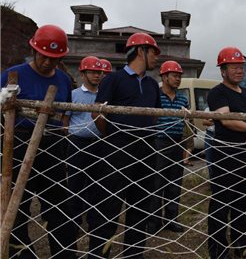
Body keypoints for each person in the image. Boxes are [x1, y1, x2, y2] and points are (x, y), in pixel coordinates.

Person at [1, 24, 78, 258]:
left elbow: (65, 115)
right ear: (34, 50)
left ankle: (64, 254)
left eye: (54, 58)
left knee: (59, 206)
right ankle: (21, 254)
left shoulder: (64, 80)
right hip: (18, 143)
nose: (48, 62)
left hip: (52, 145)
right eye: (44, 56)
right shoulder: (13, 74)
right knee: (17, 204)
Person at [88, 33, 161, 258]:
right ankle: (99, 255)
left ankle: (133, 254)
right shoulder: (114, 79)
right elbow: (97, 112)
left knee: (140, 207)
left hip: (147, 147)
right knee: (109, 206)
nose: (157, 58)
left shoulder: (152, 85)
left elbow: (155, 116)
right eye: (154, 53)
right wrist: (113, 135)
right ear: (141, 51)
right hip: (118, 148)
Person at [207, 47, 246, 259]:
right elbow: (226, 120)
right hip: (226, 153)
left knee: (245, 202)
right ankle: (218, 250)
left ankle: (243, 247)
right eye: (234, 67)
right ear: (223, 70)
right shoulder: (217, 92)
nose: (239, 71)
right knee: (222, 202)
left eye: (241, 67)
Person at [62, 56, 104, 227]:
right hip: (78, 143)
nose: (97, 76)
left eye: (99, 72)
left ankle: (95, 223)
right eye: (92, 72)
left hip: (100, 144)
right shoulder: (73, 95)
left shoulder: (105, 95)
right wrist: (70, 136)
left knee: (98, 185)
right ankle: (74, 222)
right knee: (75, 185)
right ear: (82, 74)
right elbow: (65, 120)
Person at [148, 60, 188, 233]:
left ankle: (171, 219)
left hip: (177, 142)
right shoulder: (155, 96)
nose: (178, 79)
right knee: (156, 182)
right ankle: (153, 222)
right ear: (164, 77)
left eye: (179, 76)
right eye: (174, 75)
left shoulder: (183, 99)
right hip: (159, 142)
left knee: (174, 182)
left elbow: (188, 122)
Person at [202, 107, 216, 180]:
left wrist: (210, 120)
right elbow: (204, 122)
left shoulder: (222, 108)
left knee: (219, 160)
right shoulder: (207, 109)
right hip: (209, 134)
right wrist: (215, 122)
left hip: (218, 135)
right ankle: (212, 182)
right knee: (209, 160)